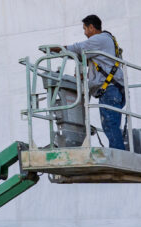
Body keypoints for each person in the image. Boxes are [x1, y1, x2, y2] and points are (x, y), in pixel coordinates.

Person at [49, 14, 127, 150]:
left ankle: (119, 154)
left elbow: (77, 48)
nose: (85, 33)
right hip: (114, 89)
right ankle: (118, 152)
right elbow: (84, 57)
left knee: (110, 124)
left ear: (92, 27)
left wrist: (55, 49)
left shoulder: (99, 39)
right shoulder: (107, 40)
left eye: (85, 29)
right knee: (112, 124)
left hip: (110, 89)